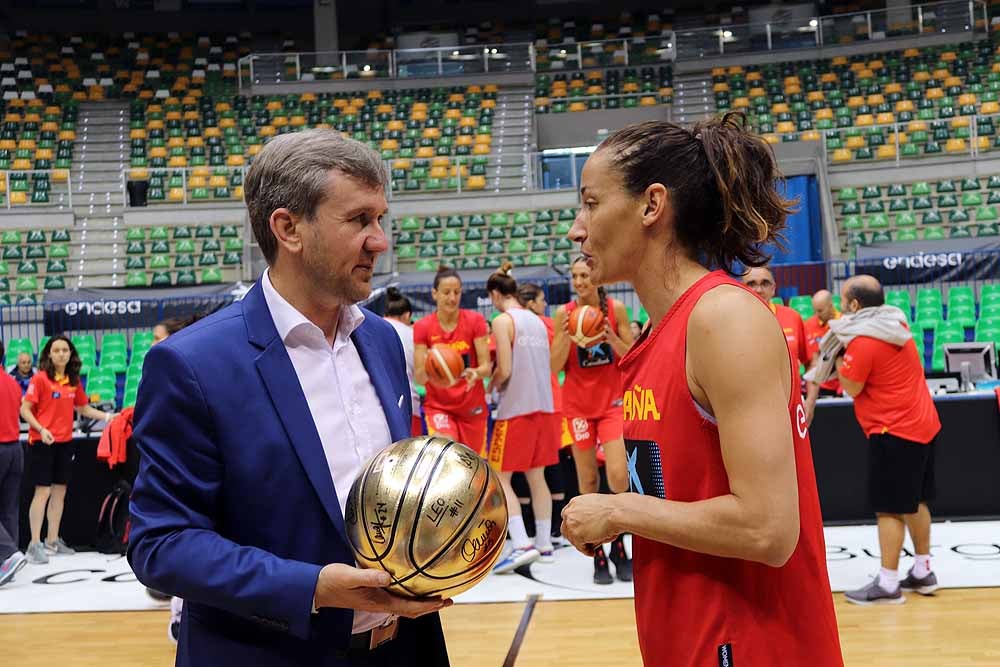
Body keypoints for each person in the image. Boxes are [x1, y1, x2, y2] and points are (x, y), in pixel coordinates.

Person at [127, 129, 451, 667]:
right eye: (359, 220)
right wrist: (314, 587)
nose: (380, 240)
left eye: (380, 218)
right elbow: (161, 544)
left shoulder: (385, 341)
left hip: (404, 649)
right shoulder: (192, 364)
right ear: (288, 228)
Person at [558, 114, 843, 666]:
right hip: (687, 640)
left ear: (651, 205)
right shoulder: (658, 331)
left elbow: (768, 528)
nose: (577, 228)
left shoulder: (723, 319)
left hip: (751, 646)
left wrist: (619, 512)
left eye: (591, 204)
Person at [837, 275, 941, 605]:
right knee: (916, 502)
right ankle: (924, 571)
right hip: (924, 424)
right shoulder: (897, 322)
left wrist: (838, 359)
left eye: (843, 300)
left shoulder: (864, 340)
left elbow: (851, 387)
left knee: (889, 511)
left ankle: (888, 583)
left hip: (893, 431)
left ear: (855, 305)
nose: (841, 307)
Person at [550, 256, 634, 584]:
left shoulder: (616, 309)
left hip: (612, 404)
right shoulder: (563, 315)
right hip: (578, 407)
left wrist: (610, 336)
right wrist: (569, 336)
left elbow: (630, 357)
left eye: (585, 275)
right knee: (586, 481)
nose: (580, 281)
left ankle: (620, 545)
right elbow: (555, 366)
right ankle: (598, 551)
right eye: (575, 276)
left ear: (596, 277)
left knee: (617, 477)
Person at [485, 265, 557, 573]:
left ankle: (522, 544)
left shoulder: (503, 320)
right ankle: (544, 542)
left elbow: (506, 369)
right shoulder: (539, 322)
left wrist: (491, 385)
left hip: (516, 410)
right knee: (536, 477)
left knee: (501, 478)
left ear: (495, 295)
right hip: (545, 408)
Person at [21, 335, 114, 565]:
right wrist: (41, 429)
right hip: (43, 442)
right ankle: (34, 544)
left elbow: (83, 408)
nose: (61, 353)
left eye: (65, 350)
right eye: (57, 350)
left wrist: (110, 416)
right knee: (42, 492)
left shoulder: (72, 381)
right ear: (49, 355)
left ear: (70, 354)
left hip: (65, 443)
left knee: (59, 493)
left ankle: (53, 540)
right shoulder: (40, 379)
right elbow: (24, 409)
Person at [412, 267, 491, 454]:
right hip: (439, 407)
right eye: (446, 292)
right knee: (448, 456)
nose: (452, 298)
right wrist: (431, 365)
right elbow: (420, 379)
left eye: (457, 292)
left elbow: (486, 367)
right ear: (434, 294)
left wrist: (475, 372)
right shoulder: (423, 327)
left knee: (472, 465)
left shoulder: (475, 321)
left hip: (472, 407)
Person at [518, 282, 574, 537]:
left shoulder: (514, 325)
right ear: (531, 302)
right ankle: (553, 528)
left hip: (527, 402)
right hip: (552, 401)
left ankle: (531, 527)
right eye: (542, 300)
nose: (544, 305)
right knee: (553, 463)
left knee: (529, 467)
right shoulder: (550, 325)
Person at [743, 266, 812, 374]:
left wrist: (811, 391)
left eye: (765, 283)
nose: (759, 290)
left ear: (773, 288)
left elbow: (810, 361)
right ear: (742, 288)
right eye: (751, 284)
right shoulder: (734, 323)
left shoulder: (792, 317)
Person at [0, 340, 27, 586]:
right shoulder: (11, 382)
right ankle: (11, 560)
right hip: (14, 447)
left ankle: (8, 555)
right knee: (8, 508)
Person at [383, 287, 423, 436]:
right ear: (407, 315)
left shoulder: (368, 329)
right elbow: (421, 374)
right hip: (408, 407)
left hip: (377, 409)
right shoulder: (412, 334)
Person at [802, 289, 842, 424]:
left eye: (820, 311)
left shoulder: (845, 323)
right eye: (815, 310)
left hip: (845, 386)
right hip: (822, 388)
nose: (816, 315)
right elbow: (813, 361)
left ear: (831, 306)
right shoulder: (809, 325)